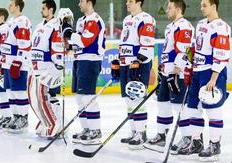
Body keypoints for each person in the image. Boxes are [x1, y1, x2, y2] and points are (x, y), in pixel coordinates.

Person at [176, 0, 230, 161]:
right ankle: (197, 142)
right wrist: (188, 61)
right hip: (197, 72)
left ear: (214, 6)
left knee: (212, 109)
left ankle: (215, 145)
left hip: (212, 73)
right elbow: (196, 48)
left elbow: (221, 54)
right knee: (192, 108)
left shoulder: (221, 27)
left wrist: (213, 79)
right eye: (201, 5)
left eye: (205, 5)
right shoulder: (200, 24)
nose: (201, 8)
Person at [143, 0, 194, 152]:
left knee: (179, 106)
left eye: (169, 7)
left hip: (177, 73)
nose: (166, 10)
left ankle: (187, 138)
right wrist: (162, 69)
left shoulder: (184, 25)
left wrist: (177, 70)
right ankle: (161, 136)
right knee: (163, 103)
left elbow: (185, 50)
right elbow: (168, 51)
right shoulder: (170, 27)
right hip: (167, 72)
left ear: (178, 9)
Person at [60, 0, 106, 145]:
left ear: (88, 2)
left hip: (90, 61)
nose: (79, 3)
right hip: (79, 60)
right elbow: (78, 42)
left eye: (81, 1)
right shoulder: (82, 20)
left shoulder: (94, 20)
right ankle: (86, 129)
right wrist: (68, 44)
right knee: (80, 98)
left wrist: (69, 32)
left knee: (87, 97)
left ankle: (95, 131)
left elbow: (85, 40)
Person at [113, 0, 156, 149]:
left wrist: (138, 62)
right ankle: (134, 131)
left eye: (130, 1)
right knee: (128, 99)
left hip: (138, 64)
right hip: (126, 64)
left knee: (137, 98)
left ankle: (141, 133)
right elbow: (124, 43)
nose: (126, 3)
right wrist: (119, 62)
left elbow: (147, 45)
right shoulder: (127, 20)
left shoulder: (146, 19)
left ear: (139, 2)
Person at [28, 0, 64, 138]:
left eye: (43, 8)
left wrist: (57, 66)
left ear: (51, 10)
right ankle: (44, 121)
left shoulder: (56, 26)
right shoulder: (39, 26)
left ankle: (54, 124)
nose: (41, 10)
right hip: (35, 67)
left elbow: (57, 48)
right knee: (33, 98)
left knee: (42, 98)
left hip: (46, 68)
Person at [0, 0, 32, 133]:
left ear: (18, 7)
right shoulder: (10, 22)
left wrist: (18, 62)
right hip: (8, 63)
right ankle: (16, 116)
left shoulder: (22, 21)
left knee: (19, 91)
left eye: (11, 5)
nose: (9, 6)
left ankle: (23, 119)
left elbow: (24, 44)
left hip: (17, 64)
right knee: (9, 91)